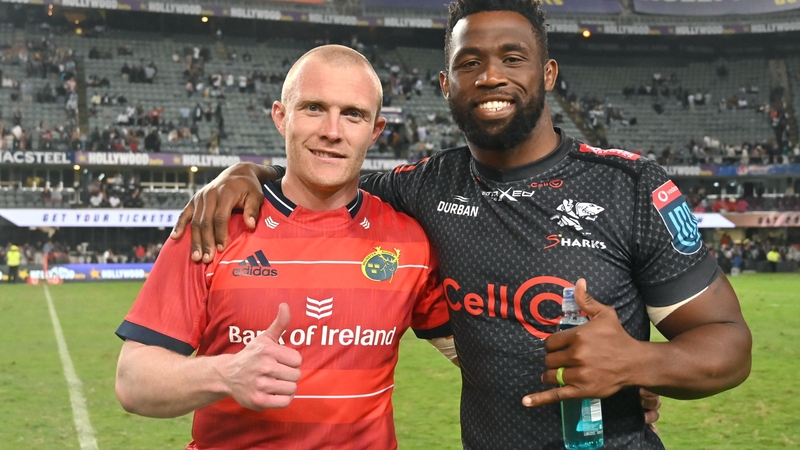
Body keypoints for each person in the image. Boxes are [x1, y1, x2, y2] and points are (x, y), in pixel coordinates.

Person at [173, 1, 751, 449]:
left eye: (513, 57)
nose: (491, 75)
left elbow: (728, 342)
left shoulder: (632, 188)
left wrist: (639, 362)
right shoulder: (423, 187)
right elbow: (320, 173)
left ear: (548, 72)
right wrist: (244, 171)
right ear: (446, 85)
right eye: (469, 63)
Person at [114, 45, 454, 449]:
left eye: (353, 114)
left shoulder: (410, 241)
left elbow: (478, 354)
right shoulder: (215, 224)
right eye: (313, 108)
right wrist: (225, 374)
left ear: (375, 130)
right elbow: (133, 380)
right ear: (281, 116)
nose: (332, 130)